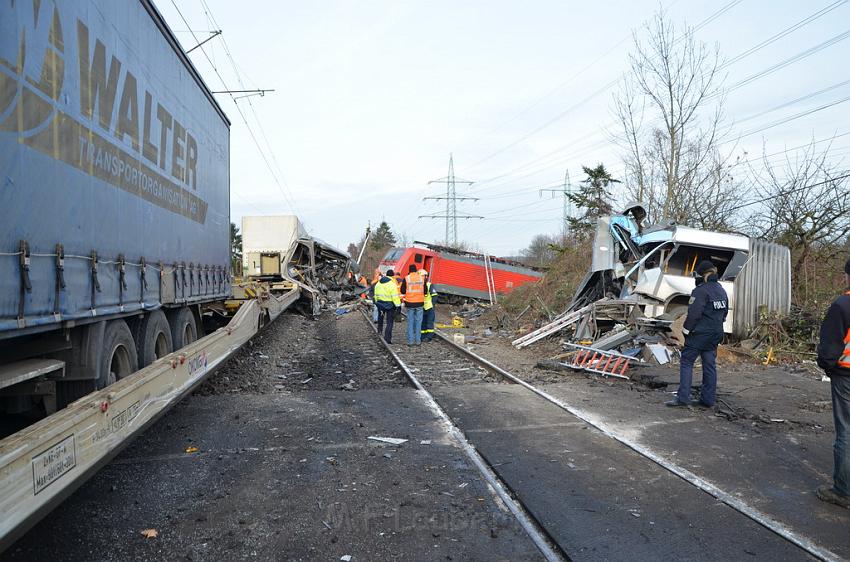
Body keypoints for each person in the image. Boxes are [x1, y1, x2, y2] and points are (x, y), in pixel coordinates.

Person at [666, 260, 728, 408]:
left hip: (699, 335)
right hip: (715, 334)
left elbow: (694, 314)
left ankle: (683, 398)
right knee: (709, 365)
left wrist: (686, 331)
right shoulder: (721, 290)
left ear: (702, 275)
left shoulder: (700, 291)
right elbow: (724, 313)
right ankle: (708, 400)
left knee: (687, 363)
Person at [815, 258, 850, 509]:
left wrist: (828, 365)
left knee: (846, 431)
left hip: (846, 375)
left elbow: (830, 346)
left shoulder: (842, 305)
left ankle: (843, 490)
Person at [373, 269, 400, 344]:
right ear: (392, 276)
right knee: (389, 322)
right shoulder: (392, 284)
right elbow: (395, 297)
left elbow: (375, 295)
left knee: (380, 318)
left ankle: (379, 331)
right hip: (389, 305)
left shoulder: (378, 284)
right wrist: (398, 306)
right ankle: (387, 338)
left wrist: (376, 302)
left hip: (380, 304)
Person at [400, 264, 424, 346]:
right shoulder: (421, 278)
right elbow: (425, 291)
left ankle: (410, 342)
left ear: (409, 270)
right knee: (418, 322)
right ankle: (418, 341)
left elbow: (402, 291)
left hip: (410, 303)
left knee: (410, 322)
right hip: (420, 303)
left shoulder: (407, 278)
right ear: (416, 270)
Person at [420, 270, 438, 342]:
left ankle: (429, 336)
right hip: (422, 306)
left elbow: (434, 295)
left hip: (428, 306)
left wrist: (432, 305)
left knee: (429, 322)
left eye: (425, 276)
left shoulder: (429, 285)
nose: (425, 277)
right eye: (424, 276)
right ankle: (423, 336)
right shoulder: (419, 285)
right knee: (423, 322)